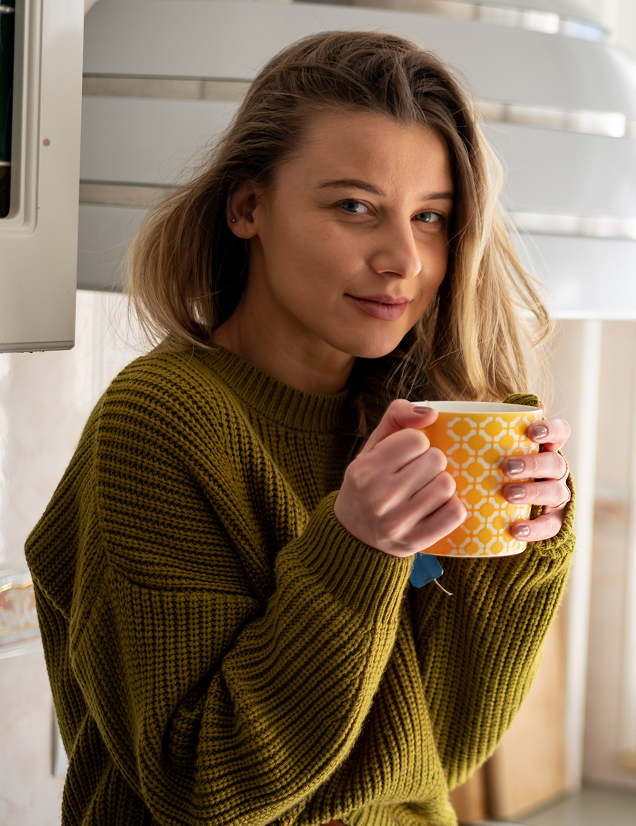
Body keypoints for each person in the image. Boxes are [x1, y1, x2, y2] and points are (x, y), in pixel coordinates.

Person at [26, 31, 574, 826]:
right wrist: (355, 551)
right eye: (355, 207)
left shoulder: (416, 429)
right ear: (247, 206)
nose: (403, 260)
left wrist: (527, 546)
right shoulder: (162, 421)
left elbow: (437, 754)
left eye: (430, 218)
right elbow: (200, 784)